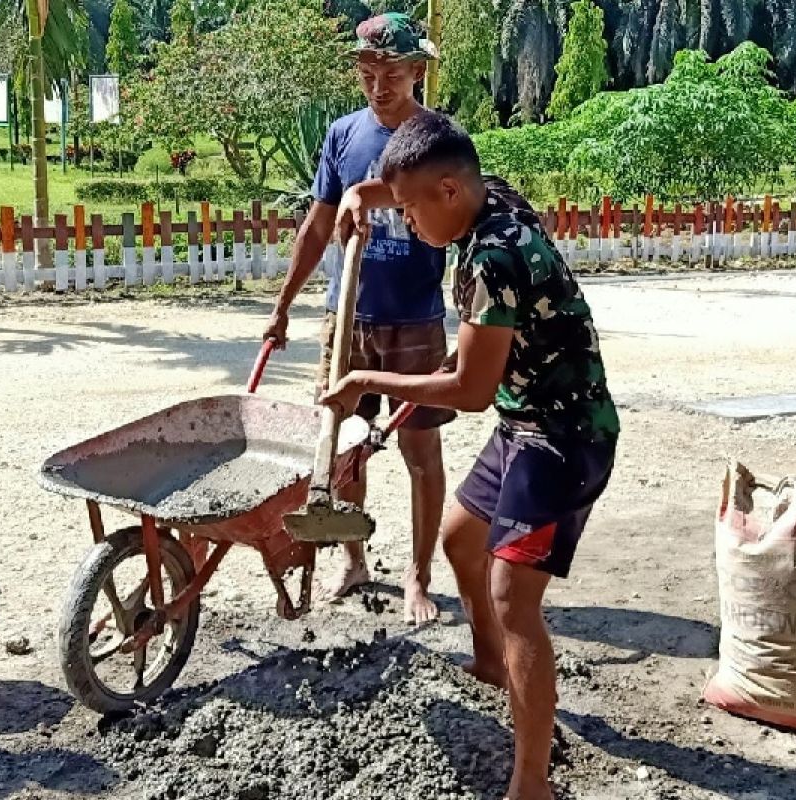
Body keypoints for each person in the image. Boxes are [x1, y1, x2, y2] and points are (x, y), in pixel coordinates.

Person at [323, 111, 620, 800]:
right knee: (462, 541)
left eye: (410, 211)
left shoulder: (493, 256)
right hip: (526, 422)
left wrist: (367, 381)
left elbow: (469, 389)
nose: (408, 224)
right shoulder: (495, 197)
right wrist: (362, 198)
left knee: (514, 597)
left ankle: (530, 783)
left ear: (451, 192)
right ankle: (493, 666)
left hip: (564, 437)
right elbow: (416, 184)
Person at [263, 12, 451, 625]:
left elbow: (464, 223)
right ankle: (355, 560)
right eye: (368, 74)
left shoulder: (441, 139)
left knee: (421, 455)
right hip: (349, 323)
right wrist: (283, 305)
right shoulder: (343, 137)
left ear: (417, 71)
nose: (378, 86)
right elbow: (318, 226)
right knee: (342, 451)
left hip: (415, 324)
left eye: (391, 73)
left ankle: (419, 578)